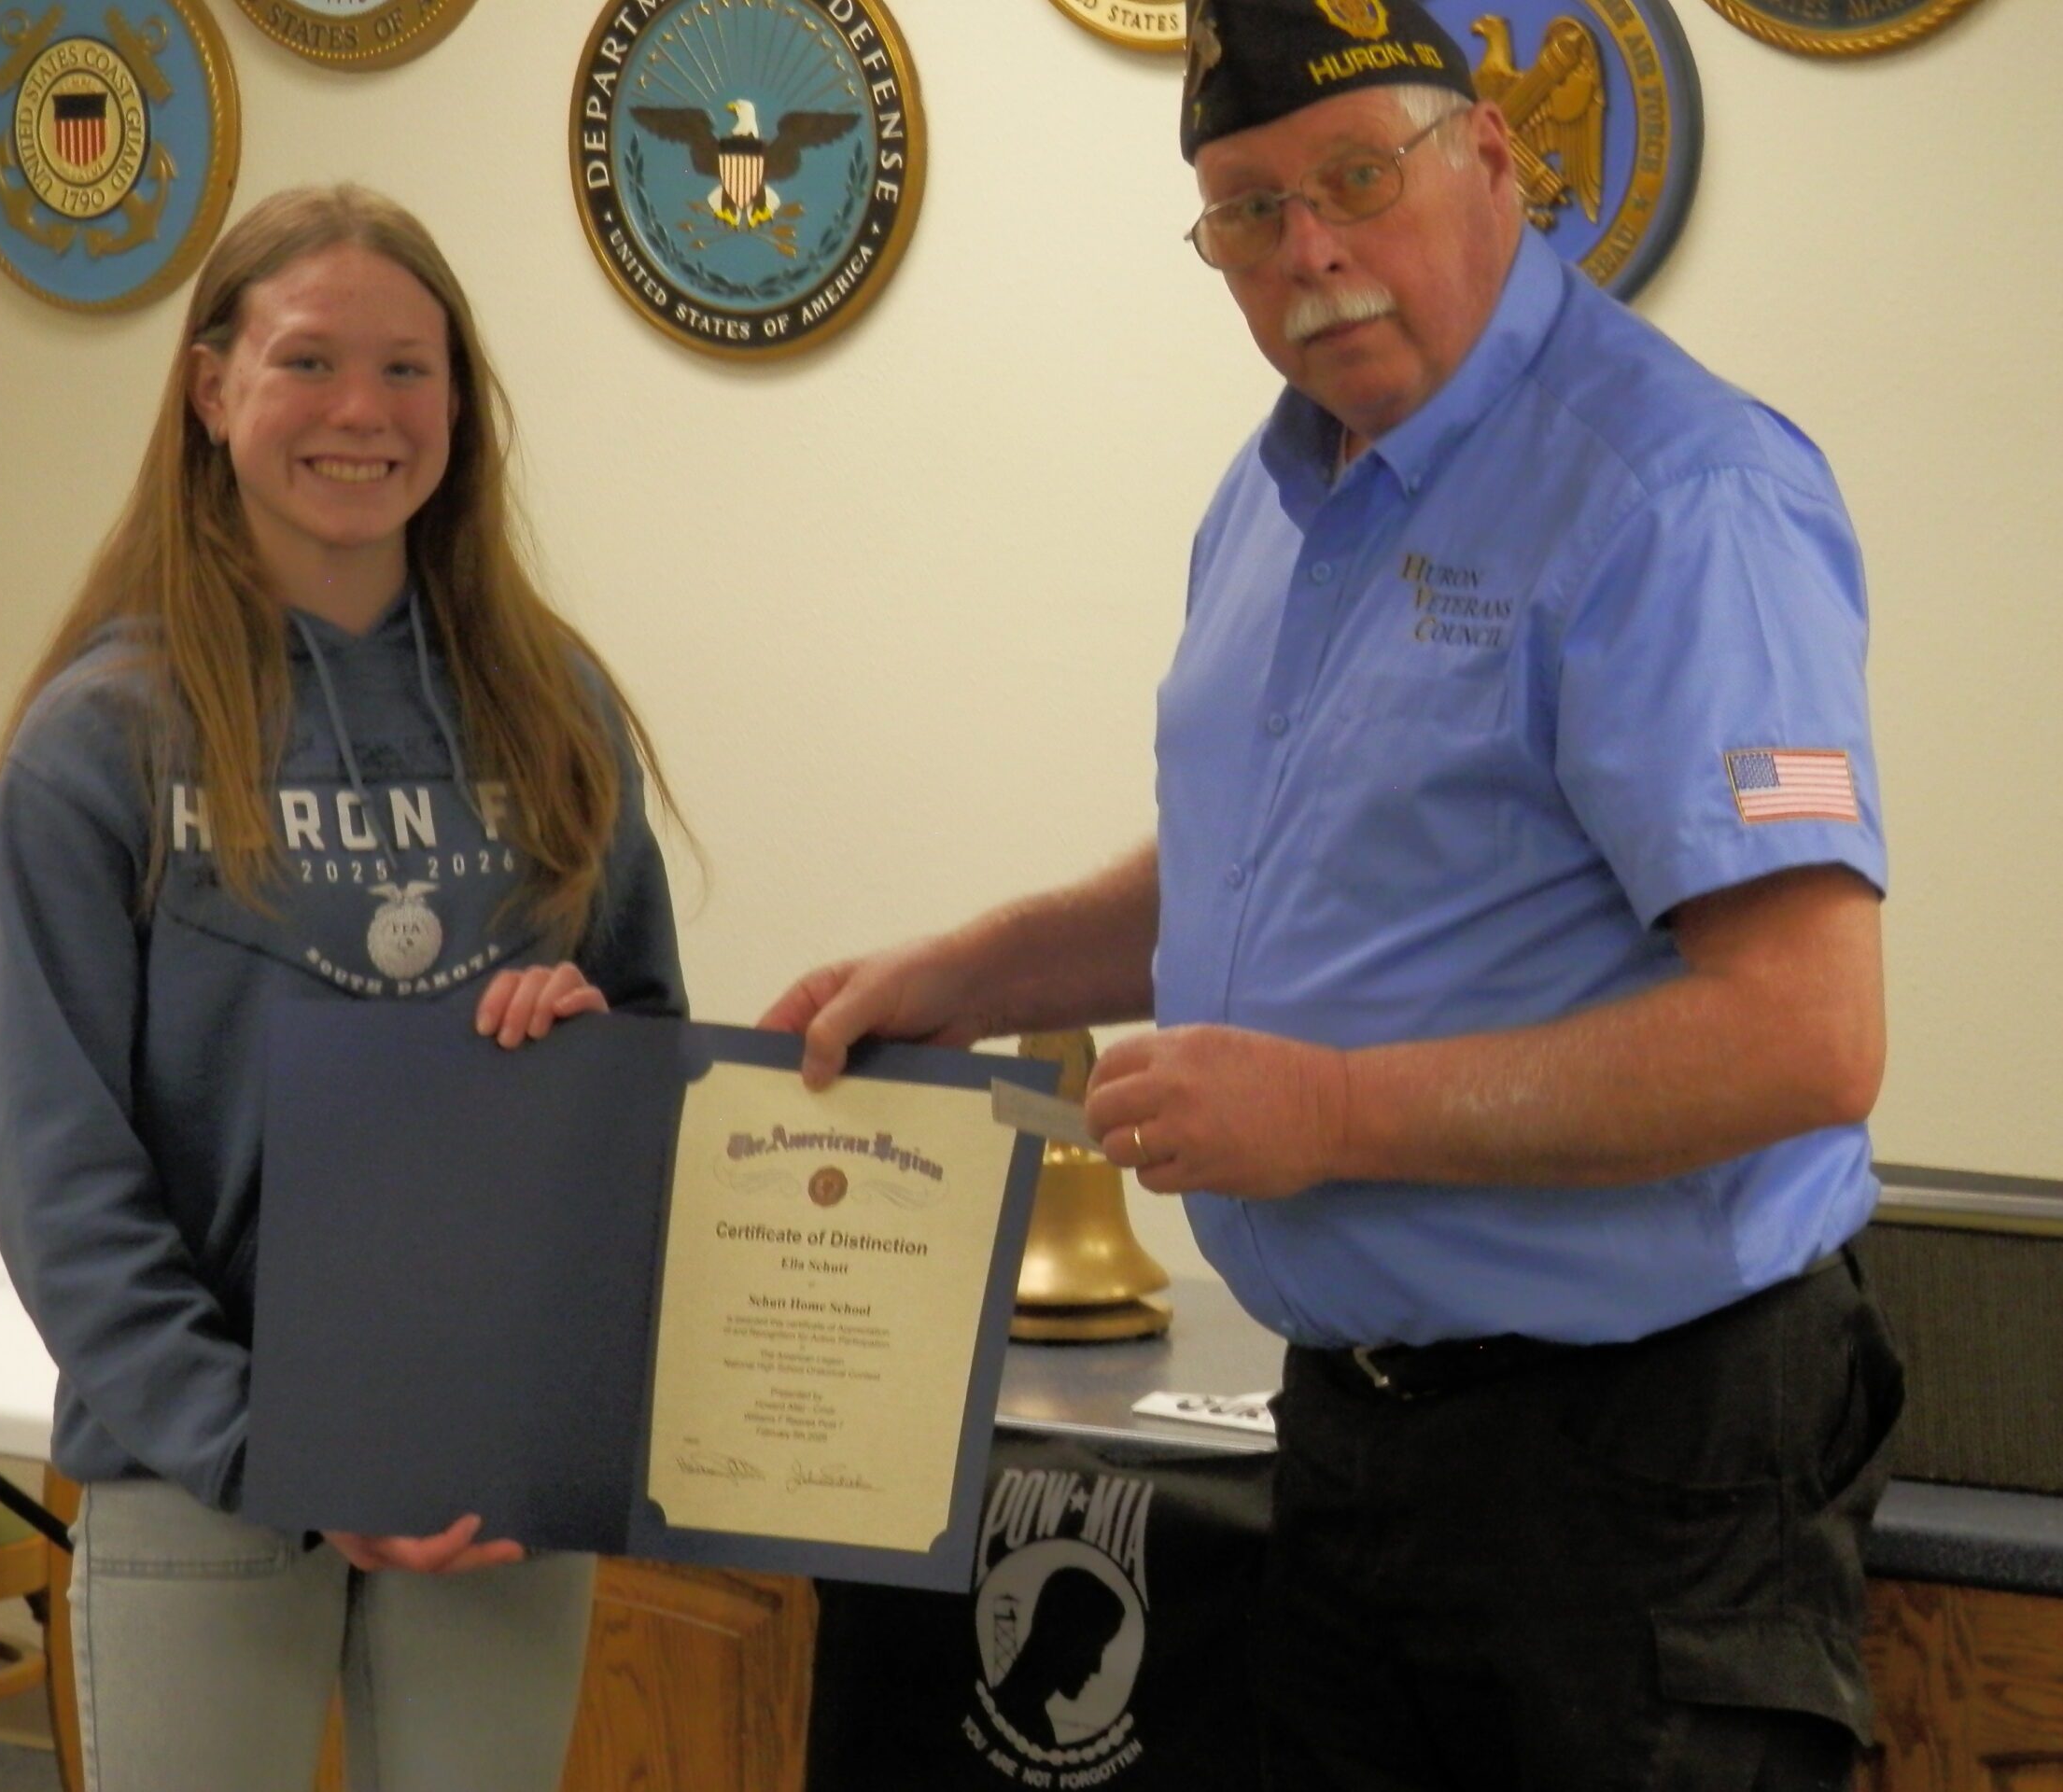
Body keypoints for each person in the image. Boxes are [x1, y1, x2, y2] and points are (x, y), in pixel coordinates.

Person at [763, 1, 1903, 1786]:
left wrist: (1331, 1111)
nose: (1311, 252)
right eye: (1246, 207)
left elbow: (1806, 1040)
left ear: (1500, 164)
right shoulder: (1284, 488)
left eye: (1359, 177)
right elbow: (1277, 862)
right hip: (1353, 1437)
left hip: (1636, 1457)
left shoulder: (1680, 496)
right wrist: (965, 975)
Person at [0, 184, 683, 1792]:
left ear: (460, 406)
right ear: (214, 389)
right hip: (193, 1465)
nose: (362, 412)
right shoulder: (104, 741)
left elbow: (647, 1062)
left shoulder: (553, 704)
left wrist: (589, 1052)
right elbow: (60, 1168)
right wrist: (254, 1446)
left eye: (409, 370)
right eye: (309, 363)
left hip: (493, 1466)